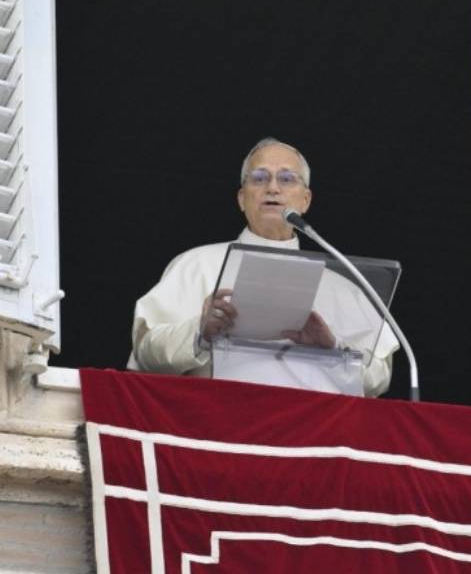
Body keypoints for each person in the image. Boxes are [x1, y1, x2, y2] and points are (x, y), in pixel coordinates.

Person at [127, 137, 398, 397]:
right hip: (217, 427)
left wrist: (333, 349)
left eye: (287, 178)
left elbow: (378, 379)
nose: (272, 188)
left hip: (313, 433)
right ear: (242, 198)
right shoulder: (196, 265)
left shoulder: (343, 288)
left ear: (306, 200)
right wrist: (200, 333)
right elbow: (146, 353)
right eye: (259, 178)